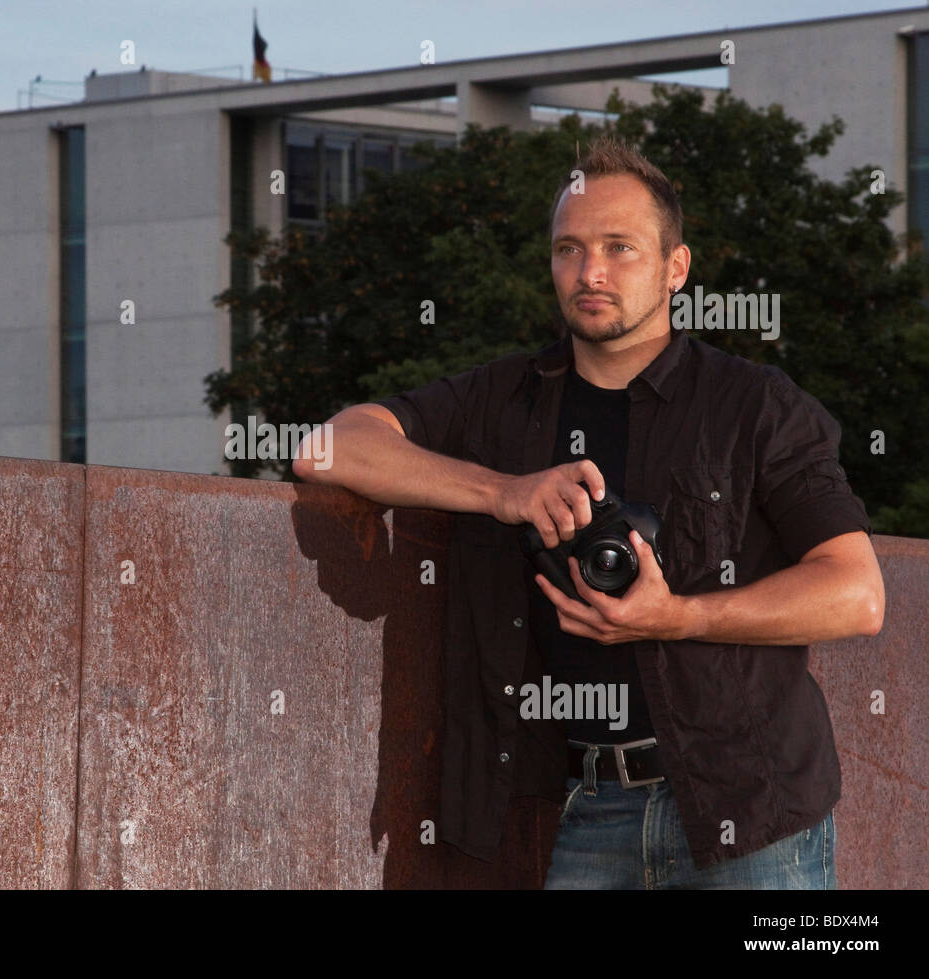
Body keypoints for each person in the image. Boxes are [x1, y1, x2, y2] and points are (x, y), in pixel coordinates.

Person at [293, 136, 885, 889]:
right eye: (568, 248)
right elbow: (326, 449)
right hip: (578, 811)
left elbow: (857, 593)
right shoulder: (502, 398)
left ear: (677, 268)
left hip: (750, 811)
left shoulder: (755, 405)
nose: (589, 271)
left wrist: (678, 617)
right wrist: (503, 491)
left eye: (618, 248)